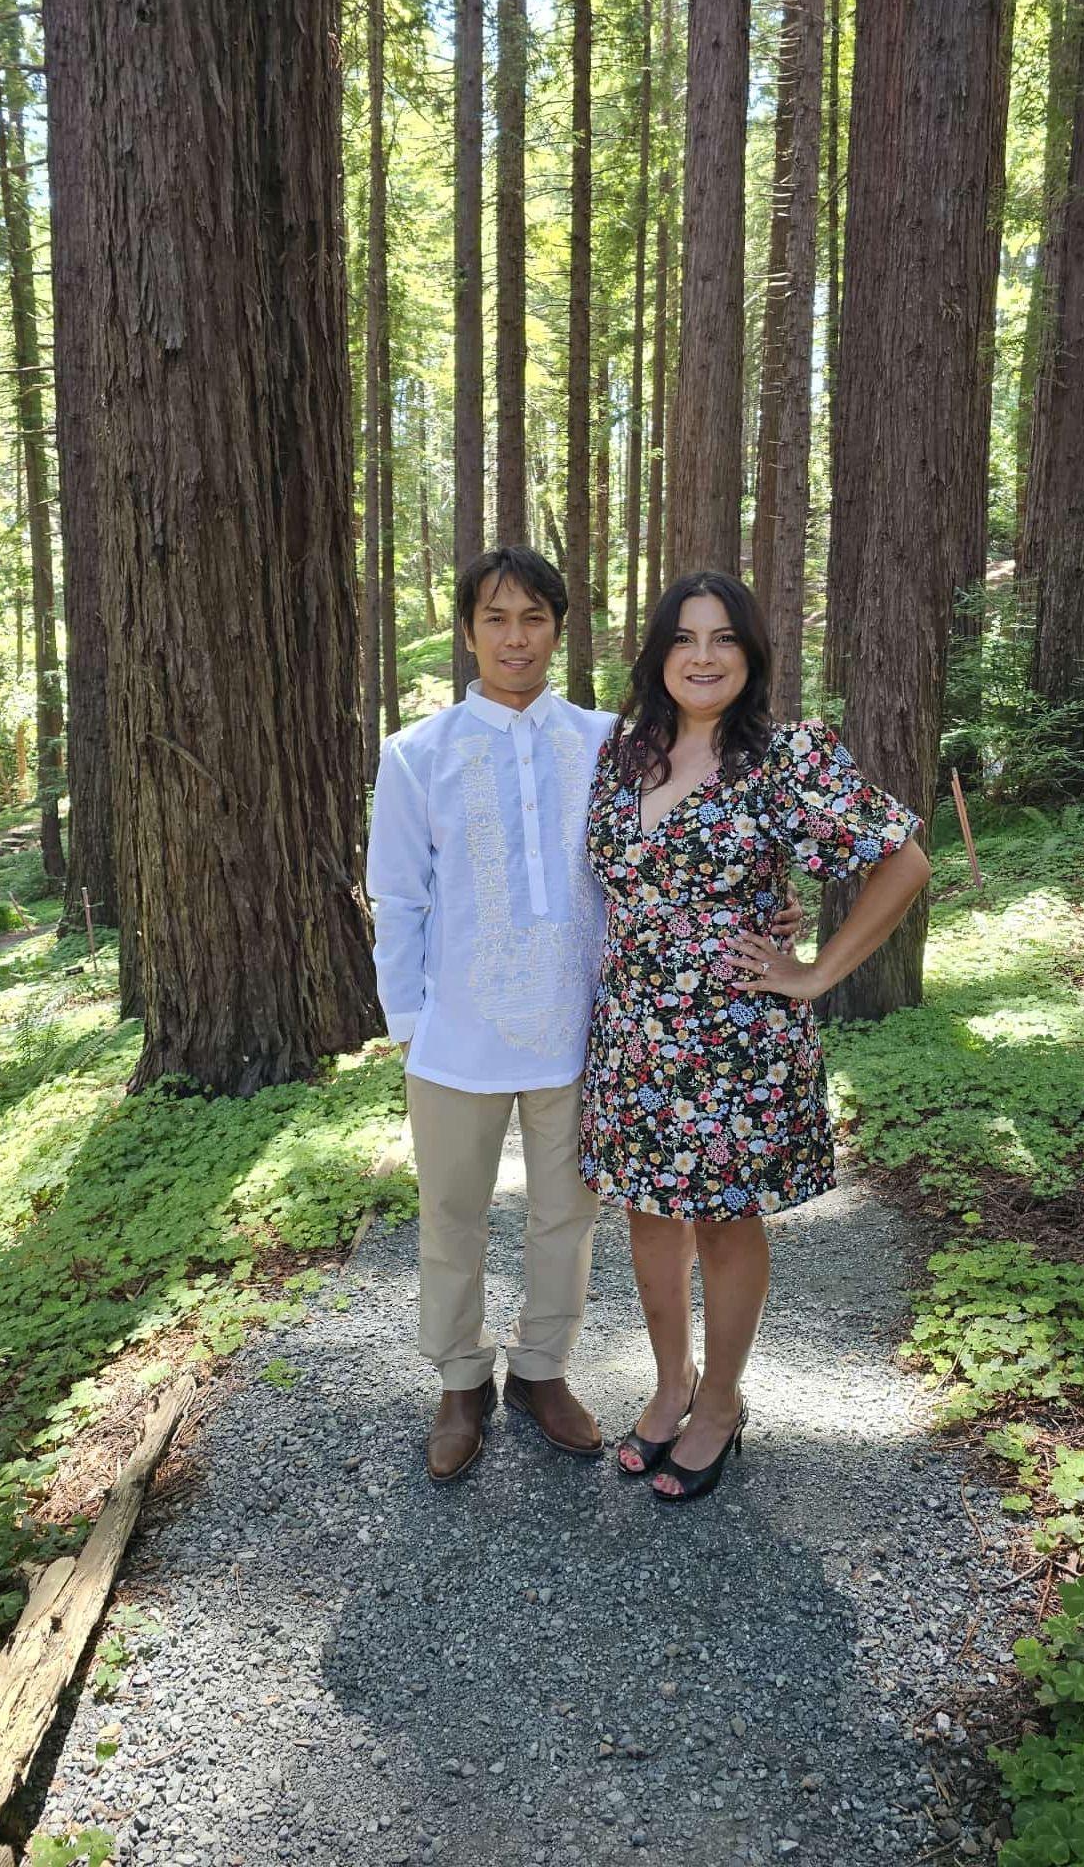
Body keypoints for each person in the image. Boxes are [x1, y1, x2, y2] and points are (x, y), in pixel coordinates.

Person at [366, 547, 804, 1483]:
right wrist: (410, 1021)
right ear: (469, 632)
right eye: (495, 619)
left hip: (584, 1027)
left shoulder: (612, 742)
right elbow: (397, 898)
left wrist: (769, 907)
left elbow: (675, 854)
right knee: (451, 1214)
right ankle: (458, 1380)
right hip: (457, 1032)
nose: (515, 638)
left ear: (559, 629)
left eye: (533, 618)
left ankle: (541, 1370)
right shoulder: (417, 755)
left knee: (567, 1216)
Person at [580, 573, 932, 1504]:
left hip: (735, 1038)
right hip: (633, 1036)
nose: (704, 656)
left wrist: (815, 972)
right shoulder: (625, 754)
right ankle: (671, 1386)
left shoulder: (786, 760)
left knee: (723, 1222)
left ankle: (722, 1403)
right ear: (658, 653)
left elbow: (904, 860)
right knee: (648, 1218)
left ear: (752, 655)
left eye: (725, 639)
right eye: (686, 638)